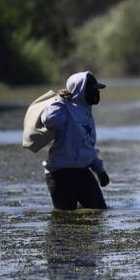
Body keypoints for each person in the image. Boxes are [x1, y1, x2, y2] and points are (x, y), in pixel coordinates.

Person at [41, 71, 110, 210]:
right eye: (92, 89)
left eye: (97, 90)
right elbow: (48, 119)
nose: (96, 93)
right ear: (79, 91)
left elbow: (88, 146)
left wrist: (100, 170)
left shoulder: (87, 113)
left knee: (99, 211)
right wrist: (60, 100)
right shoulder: (63, 109)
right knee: (65, 219)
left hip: (83, 172)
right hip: (60, 174)